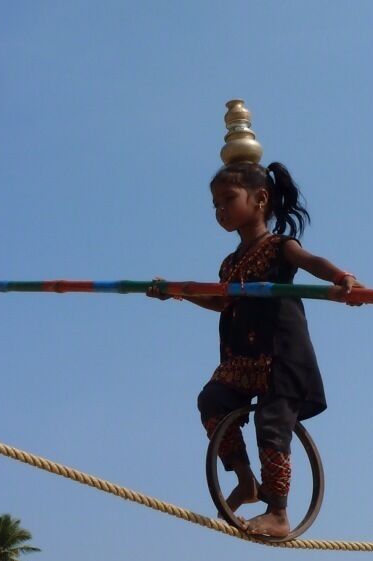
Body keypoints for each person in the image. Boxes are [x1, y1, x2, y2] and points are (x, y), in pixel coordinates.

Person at [150, 158, 361, 539]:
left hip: (280, 355)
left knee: (271, 422)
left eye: (228, 199)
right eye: (215, 204)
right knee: (212, 400)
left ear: (260, 199)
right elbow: (221, 301)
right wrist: (176, 291)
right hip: (242, 358)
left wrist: (341, 279)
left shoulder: (280, 246)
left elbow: (312, 262)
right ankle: (246, 482)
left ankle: (278, 512)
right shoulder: (230, 264)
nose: (220, 210)